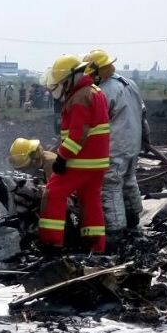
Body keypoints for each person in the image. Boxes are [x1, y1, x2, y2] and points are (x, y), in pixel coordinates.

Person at [38, 54, 110, 253]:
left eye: (60, 83)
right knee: (91, 200)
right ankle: (95, 245)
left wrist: (62, 157)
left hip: (81, 161)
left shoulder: (79, 97)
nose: (58, 88)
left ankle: (51, 242)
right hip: (97, 162)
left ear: (70, 79)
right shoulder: (94, 91)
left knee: (53, 193)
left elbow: (78, 134)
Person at [84, 49, 151, 249]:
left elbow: (93, 123)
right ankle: (133, 219)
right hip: (132, 144)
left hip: (114, 146)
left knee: (110, 185)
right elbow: (143, 114)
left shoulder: (103, 92)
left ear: (98, 71)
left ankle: (115, 231)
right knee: (129, 180)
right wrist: (145, 138)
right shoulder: (130, 83)